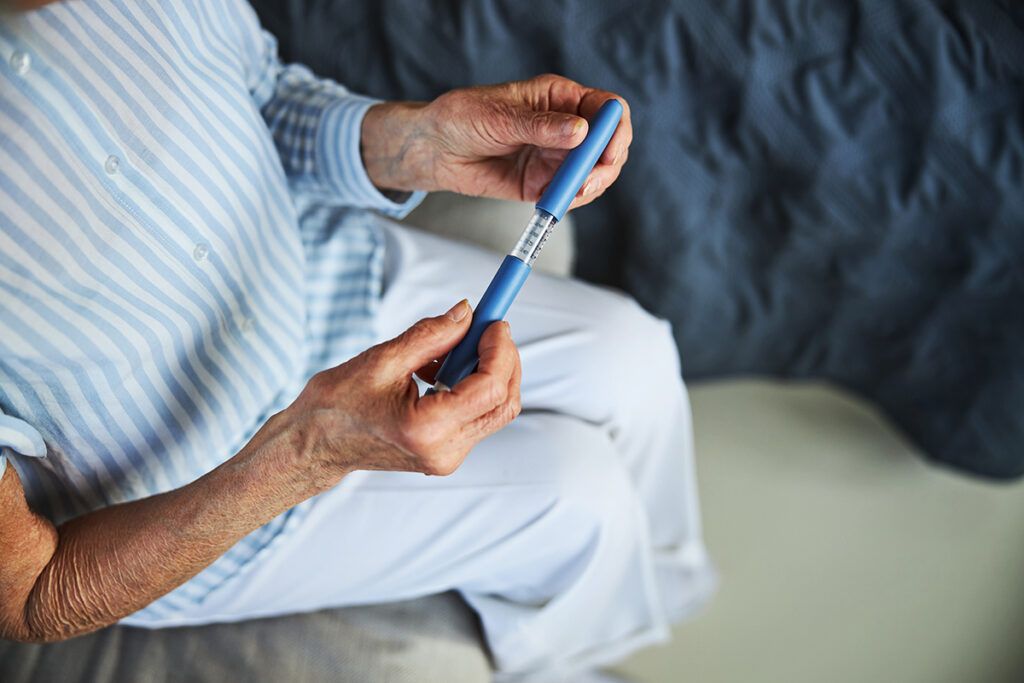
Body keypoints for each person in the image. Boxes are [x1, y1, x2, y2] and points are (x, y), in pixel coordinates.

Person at [0, 0, 715, 678]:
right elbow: (31, 592)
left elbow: (259, 86)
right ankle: (562, 659)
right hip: (210, 471)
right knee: (580, 496)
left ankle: (662, 596)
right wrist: (311, 451)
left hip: (324, 265)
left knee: (638, 351)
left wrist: (420, 143)